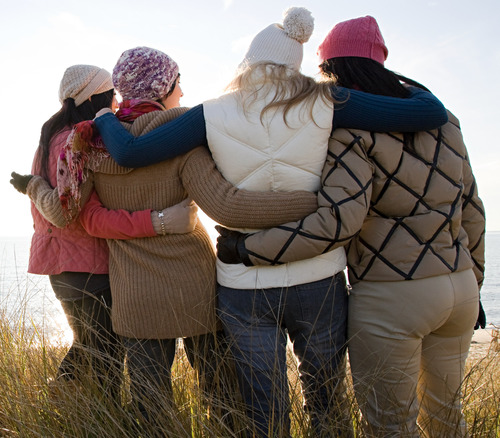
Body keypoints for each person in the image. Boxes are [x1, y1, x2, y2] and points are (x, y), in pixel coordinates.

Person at [90, 8, 451, 438]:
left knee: (265, 410)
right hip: (319, 274)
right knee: (327, 404)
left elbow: (132, 154)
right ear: (295, 65)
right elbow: (429, 112)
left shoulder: (212, 112)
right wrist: (408, 86)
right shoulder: (326, 101)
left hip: (244, 284)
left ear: (249, 60)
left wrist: (104, 117)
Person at [19, 46, 322, 434]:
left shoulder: (93, 146)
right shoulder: (182, 141)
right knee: (222, 397)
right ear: (162, 88)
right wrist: (310, 202)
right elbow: (228, 207)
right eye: (177, 83)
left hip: (134, 294)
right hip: (194, 287)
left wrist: (34, 187)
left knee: (150, 409)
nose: (181, 91)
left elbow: (88, 219)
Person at [215, 16, 486, 437]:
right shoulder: (443, 119)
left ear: (329, 68)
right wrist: (475, 278)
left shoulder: (349, 129)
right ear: (381, 60)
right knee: (448, 417)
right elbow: (472, 209)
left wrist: (249, 250)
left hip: (393, 293)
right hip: (460, 289)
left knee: (389, 426)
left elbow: (339, 219)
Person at [14, 64, 202, 404]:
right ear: (97, 96)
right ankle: (87, 415)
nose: (115, 103)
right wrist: (34, 186)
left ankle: (59, 408)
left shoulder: (48, 138)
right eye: (111, 94)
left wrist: (32, 185)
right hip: (89, 267)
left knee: (88, 347)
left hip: (62, 267)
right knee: (105, 362)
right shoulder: (79, 139)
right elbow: (61, 210)